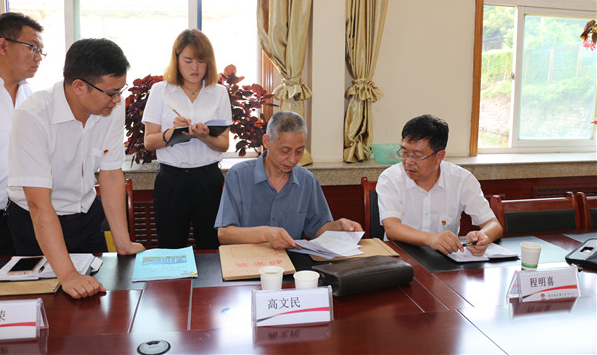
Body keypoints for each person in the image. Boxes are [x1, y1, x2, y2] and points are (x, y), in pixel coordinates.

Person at [7, 38, 145, 299]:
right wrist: (68, 275)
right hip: (36, 224)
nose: (118, 99)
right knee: (49, 306)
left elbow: (111, 174)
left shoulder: (111, 107)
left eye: (120, 90)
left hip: (85, 217)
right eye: (111, 92)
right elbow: (39, 205)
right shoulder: (33, 116)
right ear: (79, 86)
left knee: (98, 295)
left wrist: (123, 243)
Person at [215, 111, 362, 249]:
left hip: (291, 261)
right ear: (266, 141)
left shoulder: (306, 180)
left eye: (299, 151)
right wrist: (266, 234)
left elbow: (316, 230)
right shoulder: (239, 175)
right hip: (247, 260)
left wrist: (339, 226)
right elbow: (224, 234)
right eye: (285, 151)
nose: (292, 159)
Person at [143, 29, 232, 250]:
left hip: (208, 178)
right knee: (170, 245)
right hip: (171, 179)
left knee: (211, 245)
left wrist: (205, 136)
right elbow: (149, 142)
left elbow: (224, 144)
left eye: (201, 61)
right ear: (176, 60)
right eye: (188, 60)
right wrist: (172, 132)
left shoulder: (219, 92)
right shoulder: (160, 91)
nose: (195, 68)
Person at [377, 114, 502, 256]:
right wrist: (430, 239)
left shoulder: (461, 179)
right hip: (400, 258)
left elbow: (493, 225)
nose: (408, 162)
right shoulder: (390, 178)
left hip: (445, 260)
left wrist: (482, 237)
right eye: (405, 153)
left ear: (439, 157)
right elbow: (392, 228)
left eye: (417, 156)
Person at [0, 12, 45, 256]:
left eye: (41, 51)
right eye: (32, 48)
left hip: (23, 212)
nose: (38, 58)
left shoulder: (30, 96)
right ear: (3, 46)